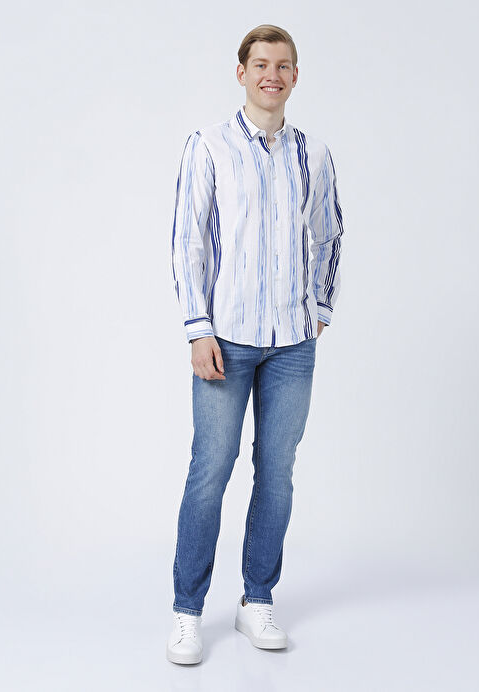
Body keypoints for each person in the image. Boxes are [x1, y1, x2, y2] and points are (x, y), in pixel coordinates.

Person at [167, 24, 344, 665]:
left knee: (277, 475)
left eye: (283, 65)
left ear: (296, 76)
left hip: (293, 345)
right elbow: (189, 240)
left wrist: (319, 307)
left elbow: (329, 232)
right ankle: (187, 612)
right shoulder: (208, 146)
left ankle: (256, 599)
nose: (273, 74)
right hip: (226, 342)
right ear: (241, 72)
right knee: (210, 472)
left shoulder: (314, 153)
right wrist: (198, 329)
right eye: (261, 64)